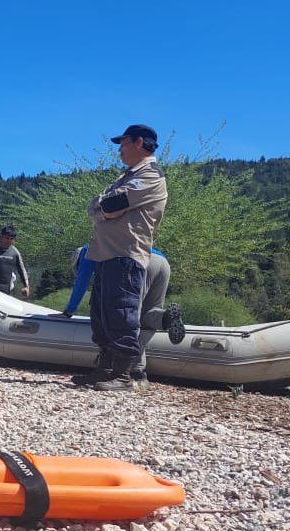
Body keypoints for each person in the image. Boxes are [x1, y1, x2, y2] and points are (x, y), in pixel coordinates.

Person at [71, 124, 169, 391]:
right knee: (101, 314)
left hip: (126, 254)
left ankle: (123, 375)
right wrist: (105, 208)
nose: (119, 150)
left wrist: (105, 208)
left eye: (123, 144)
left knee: (122, 312)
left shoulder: (151, 176)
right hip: (106, 254)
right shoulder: (127, 177)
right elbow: (96, 206)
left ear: (139, 142)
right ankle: (104, 369)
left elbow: (111, 204)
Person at [58, 245, 185, 388]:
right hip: (162, 263)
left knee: (129, 318)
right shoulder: (111, 242)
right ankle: (166, 318)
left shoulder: (87, 252)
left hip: (140, 262)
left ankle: (130, 372)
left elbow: (82, 282)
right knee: (148, 313)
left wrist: (69, 311)